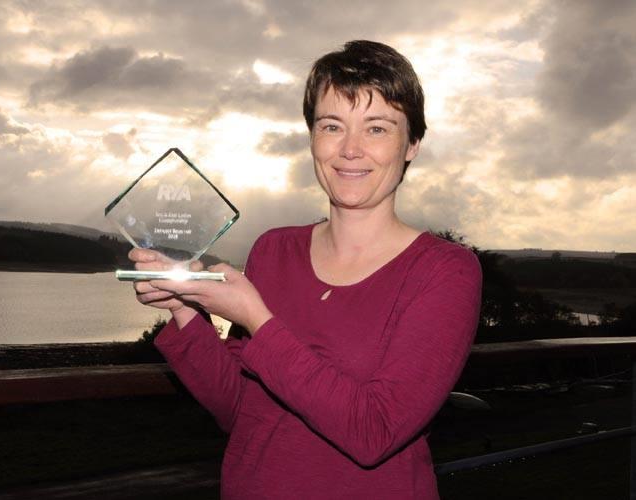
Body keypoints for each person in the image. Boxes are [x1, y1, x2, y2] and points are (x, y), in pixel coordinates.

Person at [131, 40, 482, 499]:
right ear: (312, 137)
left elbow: (374, 433)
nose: (350, 149)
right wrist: (182, 309)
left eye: (377, 129)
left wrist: (256, 318)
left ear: (412, 144)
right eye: (332, 125)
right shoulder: (274, 250)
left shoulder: (445, 270)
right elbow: (241, 410)